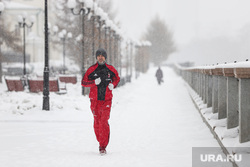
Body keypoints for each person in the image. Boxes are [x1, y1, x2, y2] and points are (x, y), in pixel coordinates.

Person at [81, 48, 120, 155]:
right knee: (97, 122)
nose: (100, 57)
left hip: (106, 100)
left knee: (103, 122)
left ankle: (103, 146)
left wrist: (113, 85)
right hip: (95, 100)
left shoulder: (110, 69)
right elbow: (84, 82)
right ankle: (100, 141)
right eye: (99, 55)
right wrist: (94, 82)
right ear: (96, 57)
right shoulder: (91, 70)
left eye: (102, 56)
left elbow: (117, 78)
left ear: (105, 57)